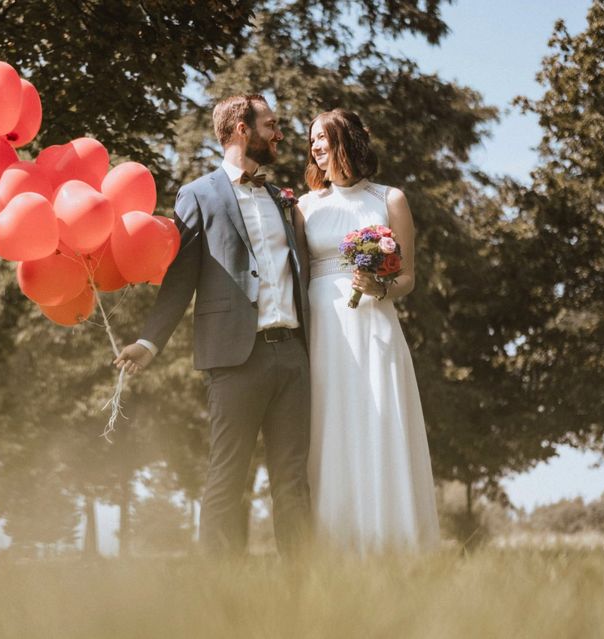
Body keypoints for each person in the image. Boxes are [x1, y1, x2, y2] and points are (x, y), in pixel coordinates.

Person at [114, 94, 312, 557]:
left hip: (294, 356)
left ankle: (306, 591)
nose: (279, 134)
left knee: (293, 480)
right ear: (242, 129)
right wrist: (149, 341)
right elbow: (180, 277)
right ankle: (218, 593)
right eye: (271, 125)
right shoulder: (198, 194)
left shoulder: (282, 199)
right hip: (234, 358)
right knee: (227, 477)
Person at [299, 108, 440, 553]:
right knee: (329, 426)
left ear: (346, 140)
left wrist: (378, 286)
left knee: (377, 420)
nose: (316, 146)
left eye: (322, 137)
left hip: (374, 328)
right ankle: (334, 546)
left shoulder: (389, 199)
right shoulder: (304, 207)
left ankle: (392, 540)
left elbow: (408, 278)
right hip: (324, 332)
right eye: (311, 140)